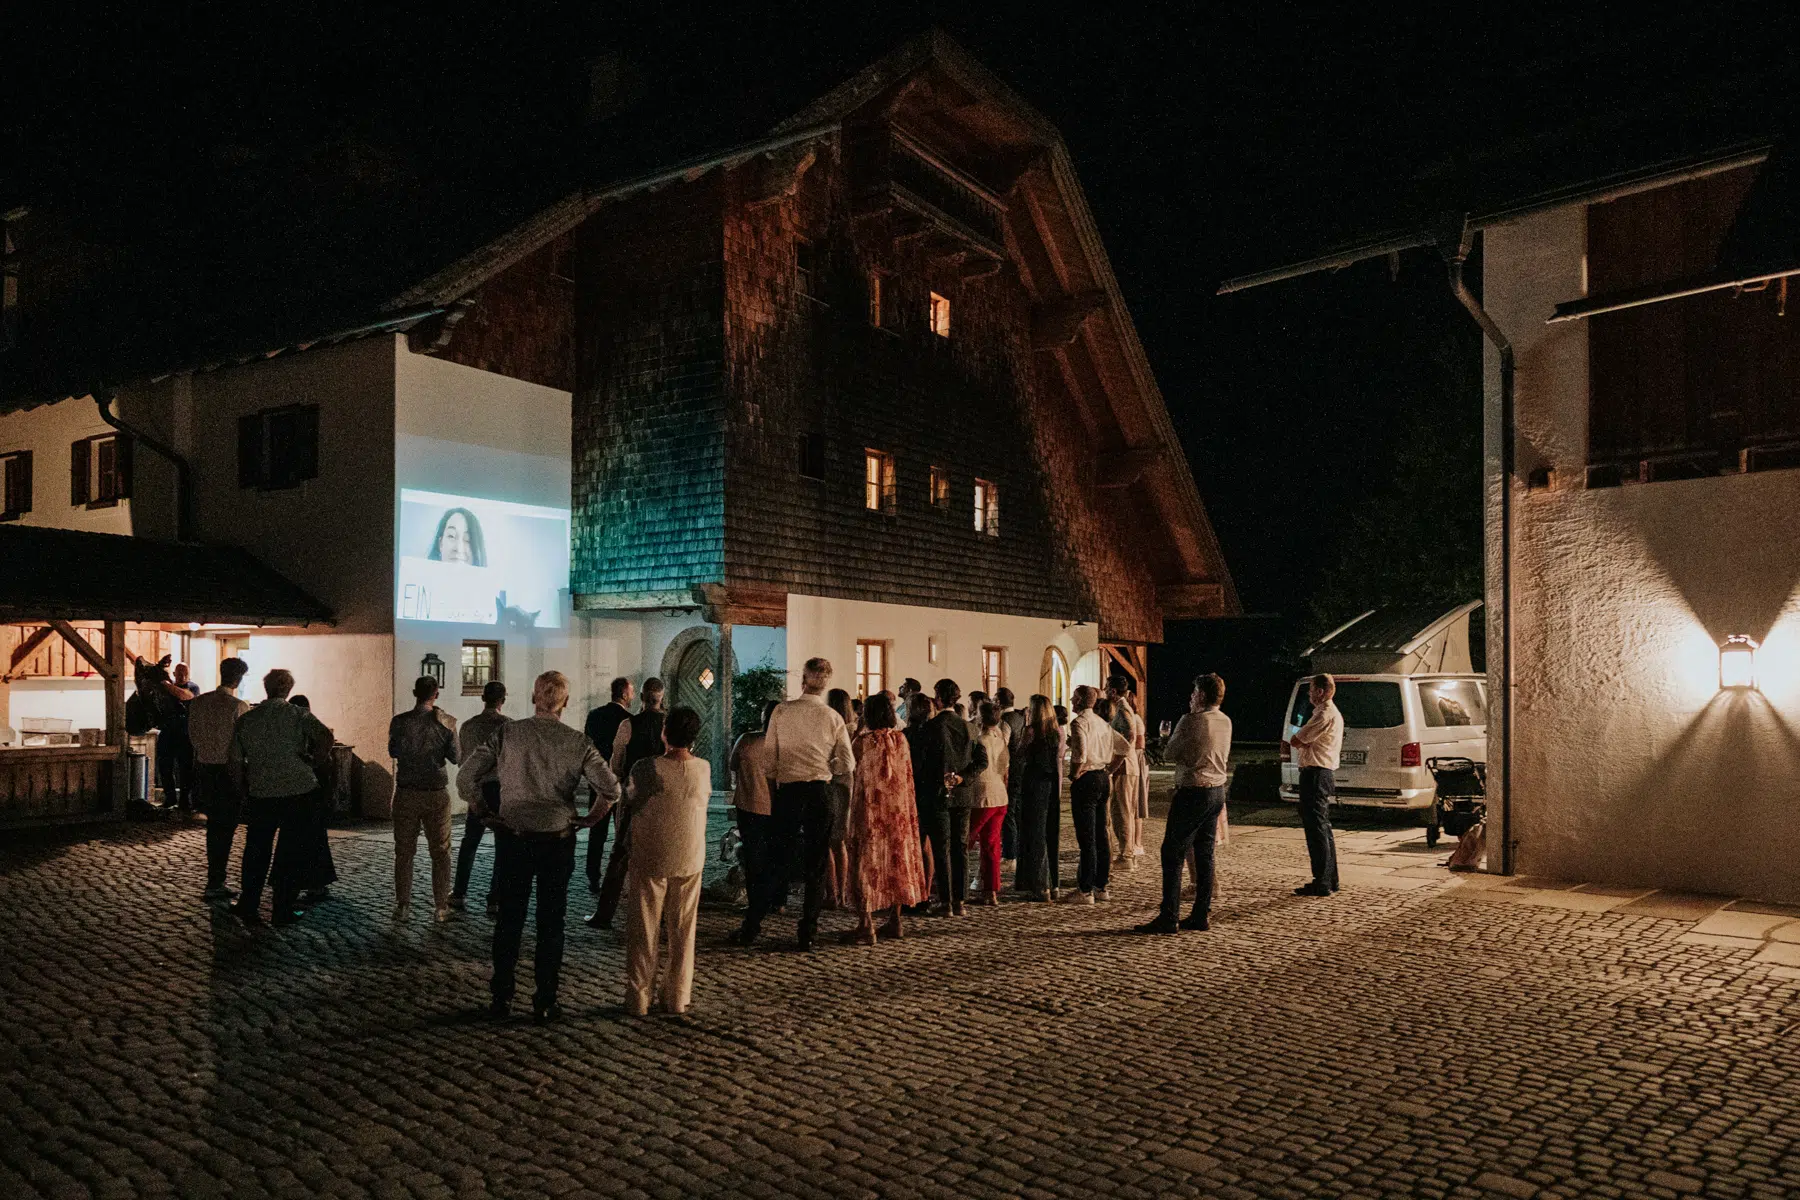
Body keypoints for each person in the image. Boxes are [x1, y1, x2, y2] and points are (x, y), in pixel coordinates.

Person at [458, 670, 619, 1022]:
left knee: (509, 920)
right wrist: (592, 817)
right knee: (551, 922)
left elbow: (465, 776)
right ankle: (545, 1000)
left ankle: (501, 998)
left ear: (534, 698)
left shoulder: (507, 734)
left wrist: (483, 811)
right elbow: (611, 788)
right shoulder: (578, 742)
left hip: (513, 838)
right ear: (566, 702)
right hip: (557, 841)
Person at [737, 657, 854, 950]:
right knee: (816, 865)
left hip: (789, 793)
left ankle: (752, 926)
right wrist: (828, 765)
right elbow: (847, 763)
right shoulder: (832, 718)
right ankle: (808, 931)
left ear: (803, 679)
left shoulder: (782, 711)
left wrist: (781, 776)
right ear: (826, 682)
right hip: (819, 791)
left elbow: (769, 760)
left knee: (776, 860)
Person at [620, 706, 712, 1016]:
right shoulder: (703, 769)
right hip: (689, 854)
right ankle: (677, 995)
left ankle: (638, 996)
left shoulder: (645, 768)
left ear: (664, 733)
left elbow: (628, 803)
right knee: (684, 929)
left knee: (644, 927)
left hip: (650, 853)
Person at [230, 669, 332, 927]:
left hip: (262, 791)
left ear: (266, 688)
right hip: (298, 790)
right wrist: (313, 761)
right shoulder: (298, 715)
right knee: (291, 850)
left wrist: (242, 788)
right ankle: (282, 909)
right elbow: (326, 737)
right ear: (287, 690)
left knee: (256, 848)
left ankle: (249, 903)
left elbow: (234, 760)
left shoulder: (248, 720)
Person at [1137, 673, 1232, 934]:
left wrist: (1173, 736)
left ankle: (1169, 915)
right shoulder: (1225, 720)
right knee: (1204, 853)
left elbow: (1171, 753)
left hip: (1193, 791)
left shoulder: (1192, 721)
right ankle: (1200, 913)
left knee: (1173, 852)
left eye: (1193, 693)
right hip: (1216, 791)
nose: (1191, 697)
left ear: (1201, 695)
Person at [844, 692, 927, 943]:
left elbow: (852, 775)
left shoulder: (862, 742)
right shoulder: (901, 740)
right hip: (898, 812)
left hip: (869, 812)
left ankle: (866, 924)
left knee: (866, 863)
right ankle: (896, 920)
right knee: (897, 861)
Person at [588, 678, 666, 930]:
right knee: (658, 852)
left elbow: (616, 763)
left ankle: (604, 913)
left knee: (620, 854)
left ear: (642, 697)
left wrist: (620, 779)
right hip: (661, 798)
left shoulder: (628, 724)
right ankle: (660, 913)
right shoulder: (668, 724)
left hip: (633, 797)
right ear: (661, 697)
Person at [388, 675, 459, 922]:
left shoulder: (399, 722)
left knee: (404, 851)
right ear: (436, 694)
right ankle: (440, 906)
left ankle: (403, 905)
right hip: (436, 792)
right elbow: (456, 756)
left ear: (414, 692)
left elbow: (393, 750)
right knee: (440, 851)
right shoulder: (447, 723)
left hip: (407, 790)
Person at [918, 678, 985, 918]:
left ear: (937, 698)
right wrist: (963, 778)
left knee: (942, 848)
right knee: (961, 847)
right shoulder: (969, 728)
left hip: (937, 795)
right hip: (963, 794)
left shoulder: (930, 727)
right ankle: (960, 900)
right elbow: (981, 761)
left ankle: (945, 901)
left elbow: (922, 766)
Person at [187, 657, 251, 901]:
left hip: (204, 769)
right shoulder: (238, 706)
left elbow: (193, 737)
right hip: (228, 771)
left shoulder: (199, 703)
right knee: (226, 828)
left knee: (214, 827)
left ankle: (214, 878)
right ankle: (216, 880)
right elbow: (242, 743)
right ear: (238, 678)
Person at [1063, 685, 1128, 905]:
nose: (1071, 700)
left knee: (1086, 836)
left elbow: (1080, 753)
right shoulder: (1103, 723)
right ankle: (1101, 886)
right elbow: (1124, 747)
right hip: (1102, 777)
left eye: (1074, 697)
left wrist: (1074, 773)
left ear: (1081, 700)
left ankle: (1085, 889)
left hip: (1088, 778)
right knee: (1101, 833)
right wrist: (1110, 769)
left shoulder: (1079, 722)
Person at [451, 680, 512, 915]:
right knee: (502, 845)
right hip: (500, 789)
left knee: (470, 841)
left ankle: (459, 892)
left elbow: (462, 760)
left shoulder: (468, 726)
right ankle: (494, 898)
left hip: (477, 788)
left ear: (482, 698)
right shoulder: (509, 727)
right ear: (502, 700)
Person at [1288, 672, 1345, 897]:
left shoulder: (1324, 714)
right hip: (1321, 773)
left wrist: (1300, 740)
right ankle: (1330, 878)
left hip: (1315, 774)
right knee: (1323, 827)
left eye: (1311, 689)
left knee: (1316, 829)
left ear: (1320, 691)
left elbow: (1297, 740)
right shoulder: (1329, 713)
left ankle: (1321, 880)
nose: (1309, 694)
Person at [581, 677, 635, 893]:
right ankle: (619, 876)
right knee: (621, 831)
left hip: (598, 779)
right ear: (623, 694)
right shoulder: (629, 720)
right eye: (631, 692)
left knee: (597, 831)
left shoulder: (594, 716)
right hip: (620, 781)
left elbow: (587, 746)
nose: (632, 696)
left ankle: (593, 875)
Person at [286, 695, 339, 903]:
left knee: (301, 838)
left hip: (302, 791)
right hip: (315, 790)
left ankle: (302, 882)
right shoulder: (311, 729)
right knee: (315, 839)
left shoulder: (292, 733)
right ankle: (316, 883)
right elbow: (327, 762)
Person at [729, 701, 779, 913]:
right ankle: (776, 900)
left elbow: (732, 765)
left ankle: (755, 902)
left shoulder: (746, 740)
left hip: (747, 804)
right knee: (773, 855)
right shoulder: (781, 745)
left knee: (752, 856)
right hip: (773, 805)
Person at [1012, 695, 1063, 902]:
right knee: (1049, 832)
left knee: (1034, 833)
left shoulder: (1031, 731)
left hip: (1033, 784)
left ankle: (1040, 885)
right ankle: (1053, 883)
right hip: (1050, 784)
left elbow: (1019, 754)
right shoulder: (1055, 733)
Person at [968, 700, 1011, 905]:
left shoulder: (980, 739)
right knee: (992, 844)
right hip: (1000, 794)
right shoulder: (1001, 737)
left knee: (965, 840)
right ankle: (991, 890)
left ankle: (950, 886)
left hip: (982, 794)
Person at [902, 692, 938, 915]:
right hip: (931, 791)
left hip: (913, 791)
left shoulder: (907, 735)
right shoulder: (934, 733)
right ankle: (924, 893)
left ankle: (916, 894)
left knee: (915, 845)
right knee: (926, 845)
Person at [1106, 677, 1147, 867]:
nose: (1105, 691)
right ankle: (1127, 852)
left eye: (1107, 688)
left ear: (1113, 691)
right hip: (1127, 765)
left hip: (1124, 767)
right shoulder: (1123, 708)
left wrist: (1119, 758)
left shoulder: (1122, 710)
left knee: (1121, 811)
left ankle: (1126, 854)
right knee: (1125, 810)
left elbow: (1130, 734)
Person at [824, 687, 857, 908]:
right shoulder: (856, 729)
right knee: (841, 841)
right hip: (850, 784)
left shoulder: (834, 729)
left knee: (828, 840)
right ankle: (844, 892)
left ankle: (832, 893)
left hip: (835, 782)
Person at [994, 687, 1025, 865]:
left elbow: (1003, 746)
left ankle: (1010, 853)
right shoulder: (1020, 717)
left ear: (999, 701)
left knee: (1009, 812)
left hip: (1010, 769)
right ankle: (1018, 849)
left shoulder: (1005, 721)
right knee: (1017, 809)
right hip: (1021, 768)